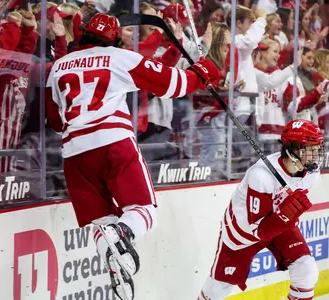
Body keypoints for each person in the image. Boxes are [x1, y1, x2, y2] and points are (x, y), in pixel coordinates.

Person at [45, 13, 218, 300]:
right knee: (144, 210)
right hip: (113, 143)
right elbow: (172, 85)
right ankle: (124, 234)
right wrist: (205, 71)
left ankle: (118, 266)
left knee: (103, 224)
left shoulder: (59, 66)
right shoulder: (118, 57)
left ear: (83, 33)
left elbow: (54, 119)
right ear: (112, 38)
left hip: (74, 153)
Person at [198, 120, 324, 300]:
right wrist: (287, 213)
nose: (316, 154)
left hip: (279, 223)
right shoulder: (261, 176)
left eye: (318, 148)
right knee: (219, 287)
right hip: (243, 232)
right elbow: (261, 230)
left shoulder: (311, 173)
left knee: (307, 270)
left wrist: (287, 213)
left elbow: (282, 219)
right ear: (293, 149)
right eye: (310, 148)